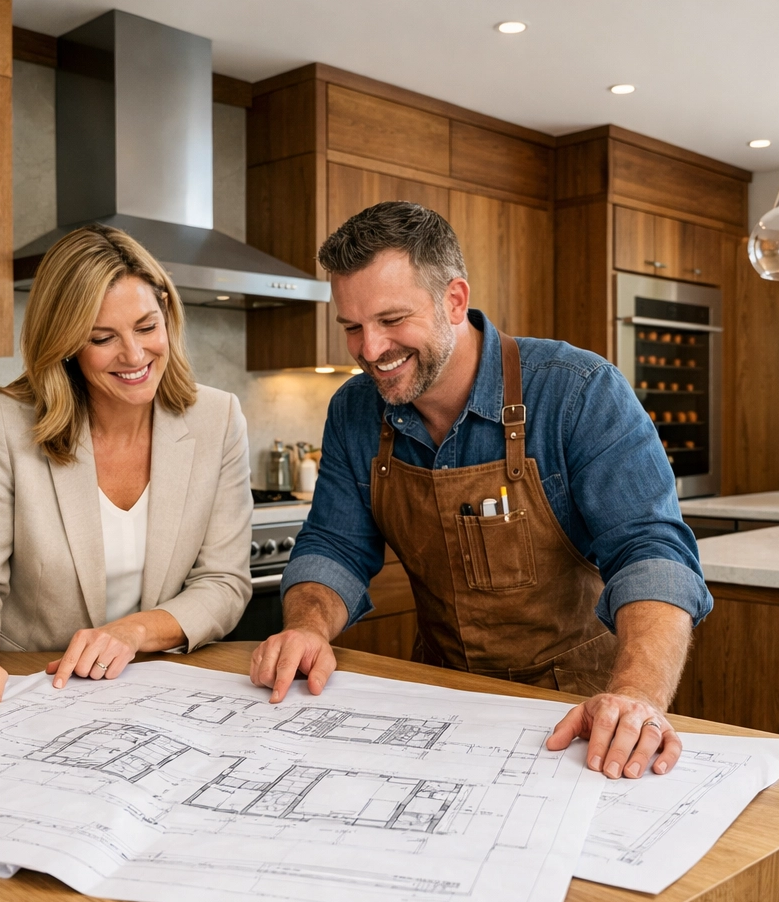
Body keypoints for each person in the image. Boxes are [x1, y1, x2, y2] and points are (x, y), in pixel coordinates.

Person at [249, 202, 712, 779]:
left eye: (392, 320)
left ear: (454, 300)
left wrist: (635, 696)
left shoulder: (577, 391)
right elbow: (335, 547)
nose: (370, 350)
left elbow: (652, 554)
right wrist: (307, 627)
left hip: (581, 719)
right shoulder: (354, 410)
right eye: (352, 327)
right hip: (441, 704)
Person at [0, 224, 253, 722]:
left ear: (166, 309)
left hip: (159, 692)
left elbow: (224, 581)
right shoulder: (9, 423)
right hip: (32, 690)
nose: (135, 356)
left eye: (146, 327)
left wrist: (133, 632)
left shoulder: (218, 417)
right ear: (67, 343)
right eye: (103, 338)